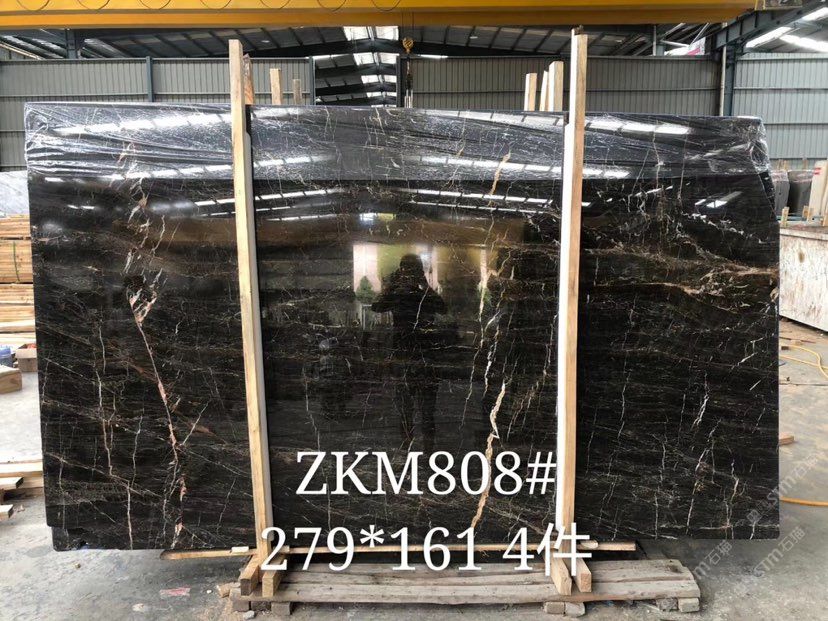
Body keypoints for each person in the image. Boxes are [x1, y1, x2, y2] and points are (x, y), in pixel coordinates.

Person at [371, 254, 446, 450]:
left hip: (417, 356)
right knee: (411, 409)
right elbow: (376, 307)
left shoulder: (418, 295)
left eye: (411, 270)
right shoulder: (404, 295)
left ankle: (421, 448)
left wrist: (420, 284)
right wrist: (395, 285)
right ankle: (416, 448)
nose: (409, 274)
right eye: (406, 270)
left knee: (421, 409)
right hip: (413, 356)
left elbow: (442, 308)